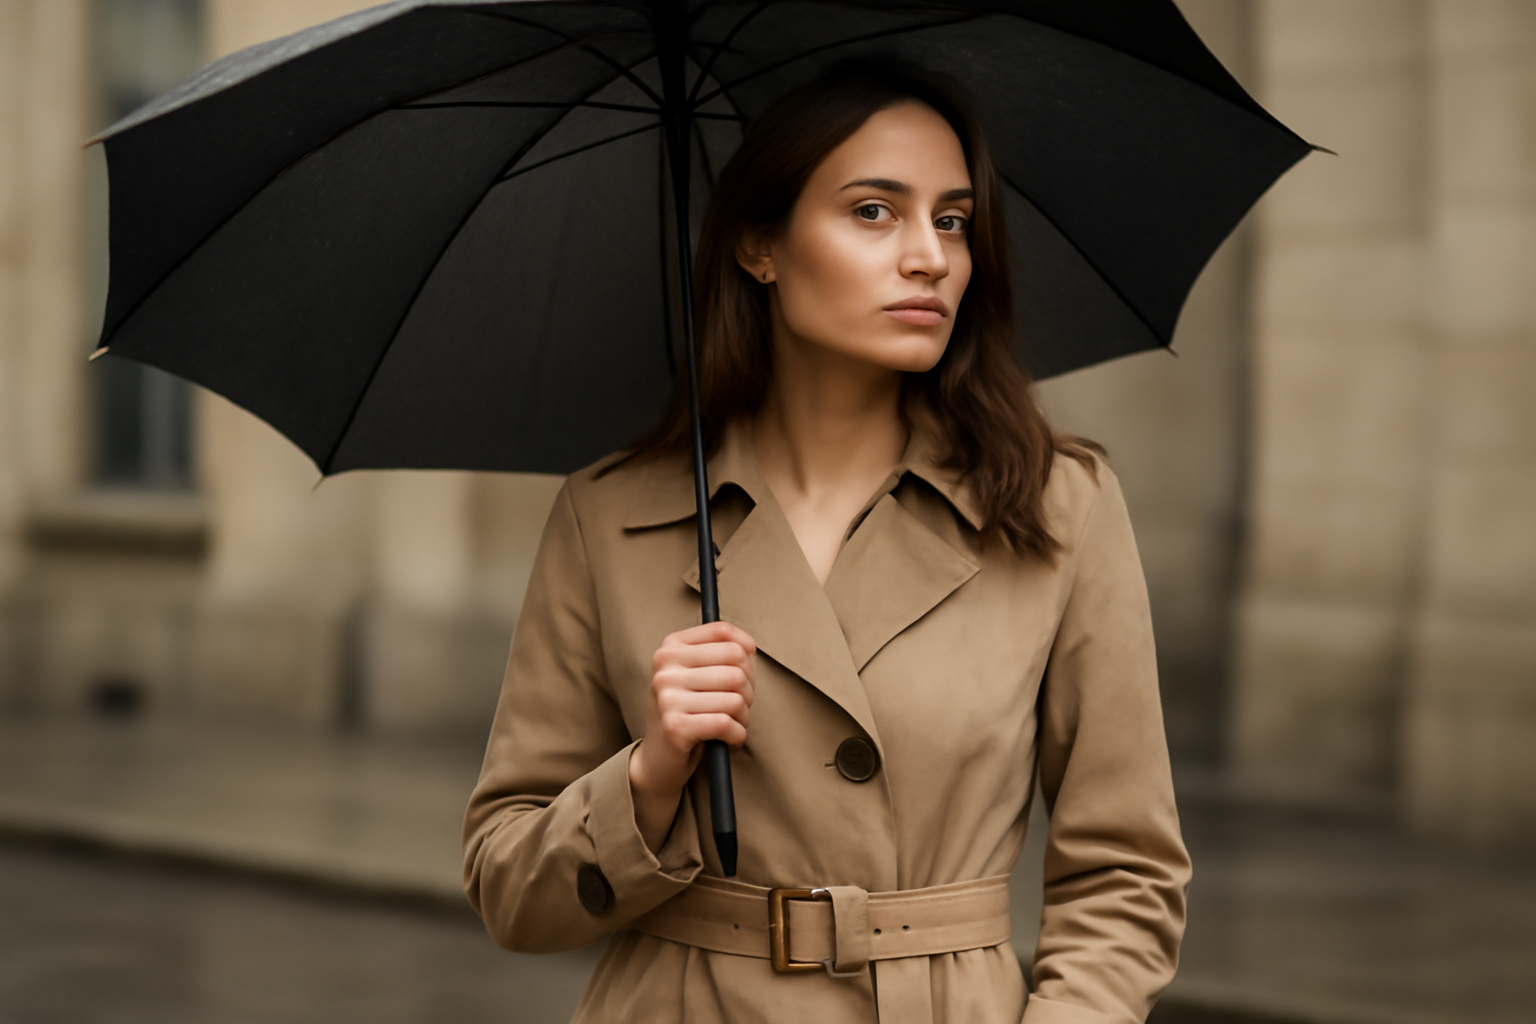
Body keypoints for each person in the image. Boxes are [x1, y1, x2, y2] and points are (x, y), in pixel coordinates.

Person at [463, 60, 1190, 1024]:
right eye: (875, 212)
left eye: (953, 219)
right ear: (761, 246)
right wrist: (647, 777)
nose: (930, 256)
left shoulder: (1055, 507)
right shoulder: (612, 515)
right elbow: (509, 887)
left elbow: (1125, 875)